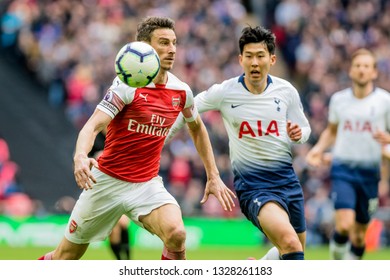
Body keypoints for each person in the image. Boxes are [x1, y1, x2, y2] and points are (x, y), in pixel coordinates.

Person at [38, 16, 235, 260]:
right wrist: (80, 156)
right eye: (163, 43)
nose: (171, 49)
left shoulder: (181, 91)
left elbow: (197, 128)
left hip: (146, 184)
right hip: (106, 182)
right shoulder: (126, 86)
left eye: (174, 43)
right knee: (64, 258)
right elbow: (92, 126)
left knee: (177, 234)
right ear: (144, 48)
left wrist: (213, 175)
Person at [167, 26, 311, 260]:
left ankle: (256, 269)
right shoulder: (225, 92)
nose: (255, 62)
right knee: (291, 244)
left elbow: (304, 129)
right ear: (240, 59)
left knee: (296, 248)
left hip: (288, 181)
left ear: (272, 59)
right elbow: (188, 107)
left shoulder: (286, 91)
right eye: (249, 56)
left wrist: (298, 134)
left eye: (260, 56)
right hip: (254, 185)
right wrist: (161, 139)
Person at [305, 48, 390, 260]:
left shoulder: (384, 101)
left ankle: (349, 268)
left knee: (360, 236)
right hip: (343, 169)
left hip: (370, 172)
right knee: (343, 224)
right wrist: (317, 149)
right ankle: (338, 268)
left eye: (366, 66)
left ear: (373, 72)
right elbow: (332, 131)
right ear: (351, 71)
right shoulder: (339, 100)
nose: (361, 70)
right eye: (358, 66)